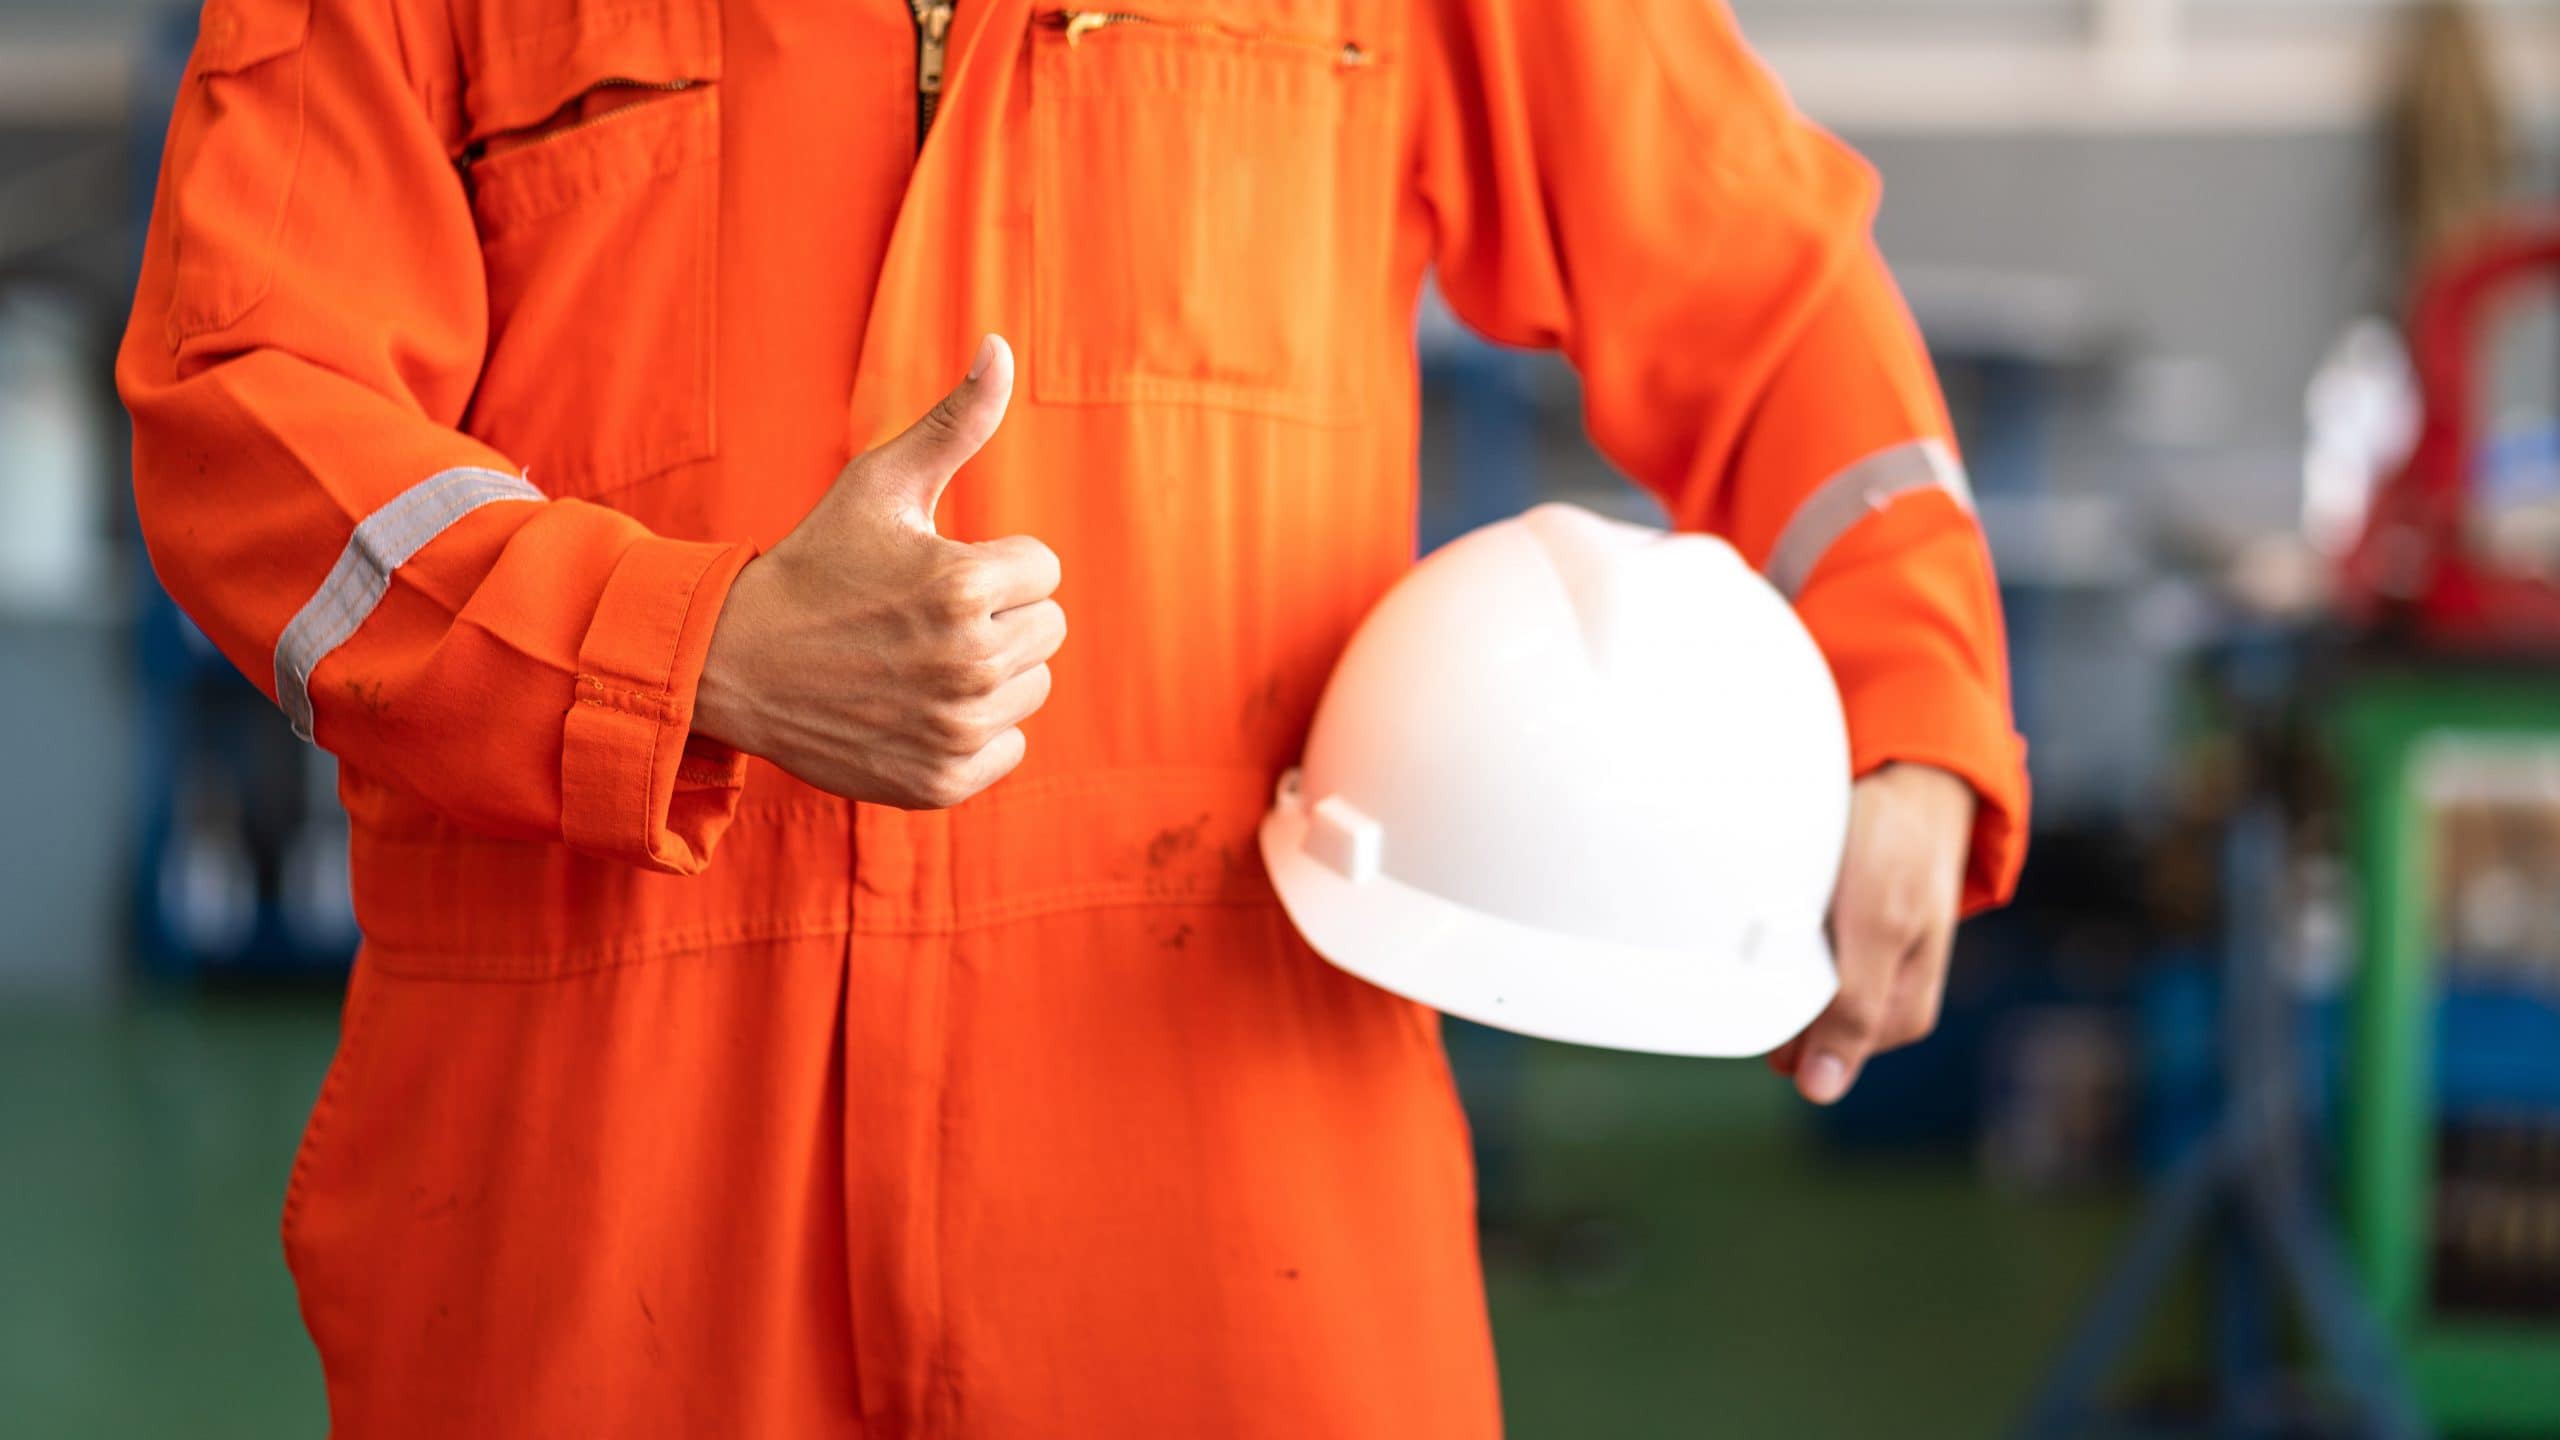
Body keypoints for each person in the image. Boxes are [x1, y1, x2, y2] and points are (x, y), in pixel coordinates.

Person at [119, 0, 2028, 1433]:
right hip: (600, 1200)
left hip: (1223, 1195)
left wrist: (1909, 691)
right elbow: (249, 410)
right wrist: (687, 654)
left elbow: (1758, 276)